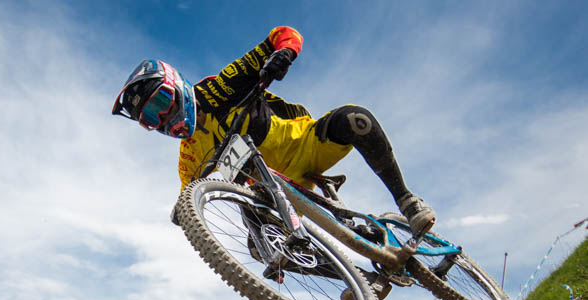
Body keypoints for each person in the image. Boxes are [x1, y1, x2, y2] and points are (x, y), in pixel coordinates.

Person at [111, 26, 436, 236]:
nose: (164, 118)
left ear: (177, 84)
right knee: (260, 245)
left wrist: (283, 53)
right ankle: (354, 280)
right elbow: (190, 198)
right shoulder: (189, 157)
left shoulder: (220, 88)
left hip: (305, 146)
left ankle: (407, 201)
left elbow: (284, 34)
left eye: (162, 102)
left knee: (355, 120)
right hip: (270, 190)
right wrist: (182, 212)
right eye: (151, 119)